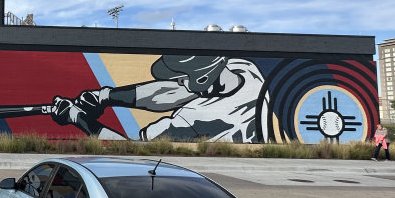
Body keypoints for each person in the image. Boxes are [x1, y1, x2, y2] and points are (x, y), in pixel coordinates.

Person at [51, 54, 268, 143]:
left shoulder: (192, 120)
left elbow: (127, 148)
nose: (179, 83)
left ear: (202, 78)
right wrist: (105, 96)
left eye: (182, 79)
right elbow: (167, 93)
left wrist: (77, 118)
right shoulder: (243, 69)